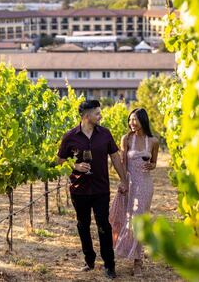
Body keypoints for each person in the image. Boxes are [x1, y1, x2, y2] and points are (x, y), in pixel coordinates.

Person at [57, 100, 128, 280]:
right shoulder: (70, 136)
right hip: (78, 189)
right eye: (97, 113)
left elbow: (115, 158)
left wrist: (124, 180)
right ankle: (89, 260)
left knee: (104, 226)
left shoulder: (105, 134)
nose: (100, 116)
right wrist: (75, 166)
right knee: (83, 225)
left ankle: (109, 265)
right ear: (87, 116)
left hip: (101, 188)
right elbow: (59, 162)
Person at [110, 108, 159, 277]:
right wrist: (123, 182)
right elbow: (123, 163)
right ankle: (123, 251)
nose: (132, 123)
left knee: (138, 220)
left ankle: (138, 261)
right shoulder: (126, 139)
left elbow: (154, 163)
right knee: (124, 217)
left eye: (135, 120)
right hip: (129, 183)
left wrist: (151, 165)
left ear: (143, 121)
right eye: (130, 120)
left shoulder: (153, 141)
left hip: (145, 184)